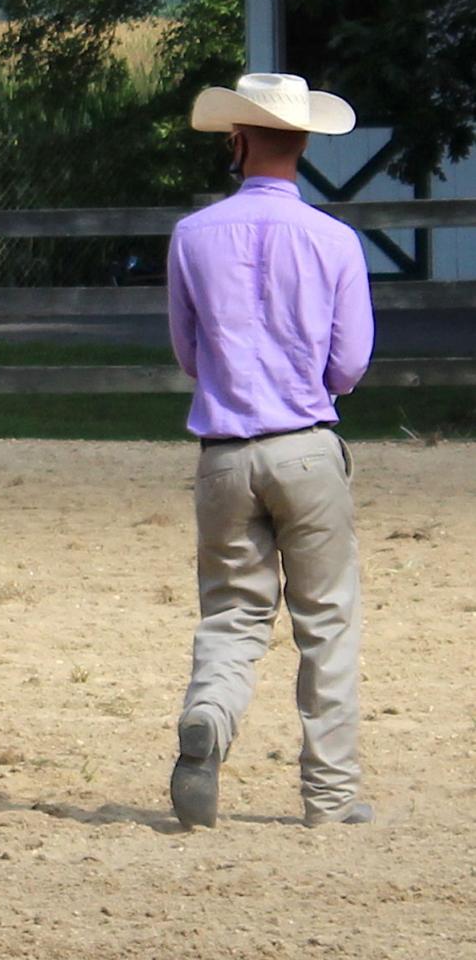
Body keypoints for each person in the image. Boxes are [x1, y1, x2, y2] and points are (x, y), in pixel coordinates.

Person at [166, 74, 375, 830]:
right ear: (305, 142)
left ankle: (210, 719)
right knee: (326, 624)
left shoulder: (192, 237)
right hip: (307, 450)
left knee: (231, 614)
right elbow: (350, 364)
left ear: (238, 139)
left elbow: (189, 356)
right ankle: (328, 795)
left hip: (223, 453)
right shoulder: (335, 241)